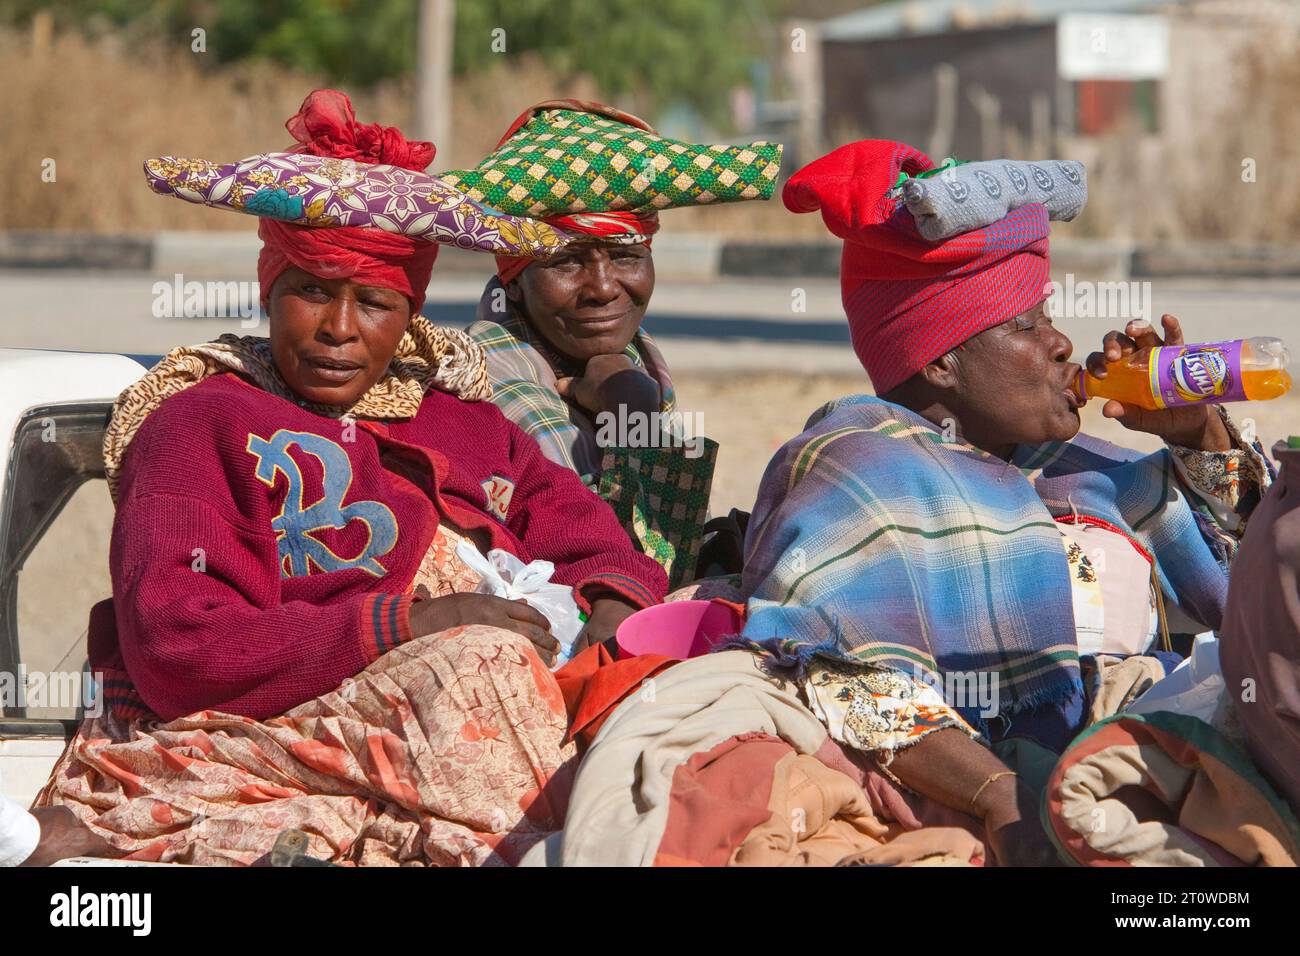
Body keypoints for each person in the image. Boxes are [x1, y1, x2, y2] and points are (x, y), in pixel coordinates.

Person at [32, 91, 667, 867]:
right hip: (286, 720)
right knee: (484, 667)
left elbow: (570, 517)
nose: (338, 329)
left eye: (373, 302)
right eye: (311, 291)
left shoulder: (456, 418)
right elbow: (179, 647)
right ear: (269, 289)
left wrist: (613, 601)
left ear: (411, 319)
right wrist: (409, 624)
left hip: (507, 704)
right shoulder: (199, 425)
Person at [736, 140, 1272, 865]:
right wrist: (1000, 794)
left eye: (1048, 317)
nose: (1062, 346)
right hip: (1007, 805)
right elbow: (835, 673)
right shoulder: (859, 468)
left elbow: (1259, 598)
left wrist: (1196, 441)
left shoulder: (1081, 469)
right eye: (1024, 326)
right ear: (940, 360)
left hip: (1135, 768)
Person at [445, 101, 783, 586]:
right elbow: (643, 561)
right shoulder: (490, 375)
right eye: (567, 263)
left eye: (625, 256)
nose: (603, 287)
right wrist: (631, 412)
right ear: (514, 281)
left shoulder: (630, 359)